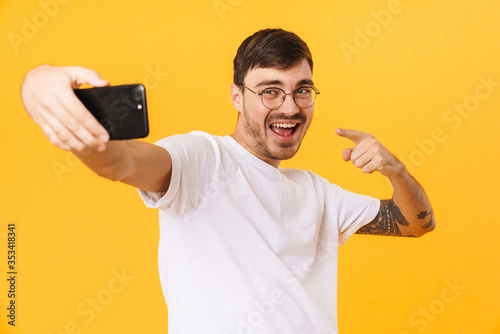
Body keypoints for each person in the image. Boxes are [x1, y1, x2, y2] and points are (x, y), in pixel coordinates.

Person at [21, 28, 435, 334]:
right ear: (237, 97)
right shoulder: (203, 160)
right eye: (270, 91)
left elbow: (416, 222)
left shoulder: (316, 192)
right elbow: (119, 161)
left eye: (302, 90)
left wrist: (395, 170)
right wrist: (38, 84)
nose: (289, 107)